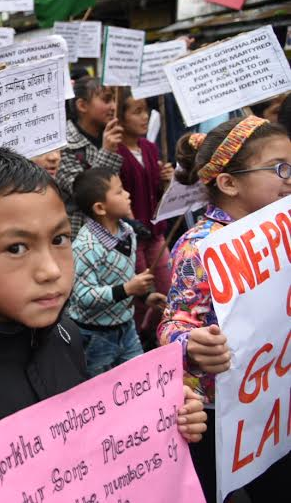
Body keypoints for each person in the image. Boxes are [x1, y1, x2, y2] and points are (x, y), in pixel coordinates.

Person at [0, 148, 208, 503]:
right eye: (16, 248)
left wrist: (158, 419)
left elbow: (87, 449)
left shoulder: (64, 335)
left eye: (59, 239)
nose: (51, 270)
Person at [159, 116, 291, 502]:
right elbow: (173, 322)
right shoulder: (201, 246)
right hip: (221, 410)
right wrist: (192, 343)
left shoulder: (282, 229)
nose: (289, 178)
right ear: (229, 183)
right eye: (279, 168)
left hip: (274, 397)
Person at [68, 168, 165, 377]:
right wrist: (128, 289)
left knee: (140, 377)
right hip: (95, 335)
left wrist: (144, 296)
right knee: (104, 388)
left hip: (127, 326)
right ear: (100, 208)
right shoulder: (85, 247)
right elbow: (83, 296)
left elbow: (123, 278)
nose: (127, 194)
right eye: (119, 192)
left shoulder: (127, 232)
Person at [116, 88, 173, 345]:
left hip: (156, 232)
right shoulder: (116, 153)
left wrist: (165, 179)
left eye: (146, 110)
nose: (144, 117)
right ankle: (141, 342)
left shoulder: (149, 148)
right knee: (141, 294)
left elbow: (157, 192)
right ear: (120, 118)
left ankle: (164, 334)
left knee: (167, 286)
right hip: (132, 236)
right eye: (136, 111)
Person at [56, 76, 124, 237]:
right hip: (80, 235)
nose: (113, 106)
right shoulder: (64, 143)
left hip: (111, 232)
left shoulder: (110, 135)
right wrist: (107, 152)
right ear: (82, 105)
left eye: (114, 100)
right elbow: (85, 193)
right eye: (106, 100)